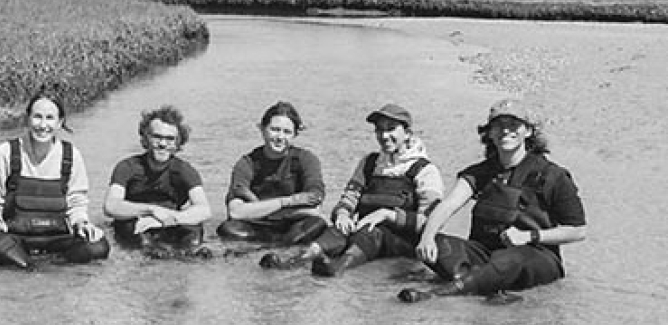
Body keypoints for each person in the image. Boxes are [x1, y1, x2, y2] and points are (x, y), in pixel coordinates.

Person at [398, 99, 587, 304]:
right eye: (498, 125)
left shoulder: (553, 176)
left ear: (528, 132)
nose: (506, 131)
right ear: (489, 133)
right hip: (484, 252)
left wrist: (530, 236)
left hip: (536, 257)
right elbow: (448, 205)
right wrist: (427, 237)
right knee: (438, 244)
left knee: (509, 260)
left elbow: (578, 231)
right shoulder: (479, 172)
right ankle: (485, 286)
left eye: (514, 125)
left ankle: (439, 295)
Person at [260, 104, 445, 276]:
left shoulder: (425, 171)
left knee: (371, 232)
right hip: (363, 232)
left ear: (407, 133)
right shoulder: (369, 163)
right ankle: (297, 261)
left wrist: (387, 215)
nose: (384, 135)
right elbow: (350, 197)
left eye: (390, 129)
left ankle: (337, 268)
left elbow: (431, 221)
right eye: (379, 129)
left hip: (401, 242)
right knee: (338, 230)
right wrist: (342, 214)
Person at [0, 92, 109, 268]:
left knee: (98, 246)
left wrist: (83, 224)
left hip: (58, 239)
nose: (43, 125)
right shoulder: (5, 153)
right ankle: (29, 269)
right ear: (27, 118)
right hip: (15, 238)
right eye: (37, 117)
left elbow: (77, 202)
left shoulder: (72, 156)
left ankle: (53, 269)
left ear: (60, 122)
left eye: (50, 118)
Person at [103, 106, 213, 259]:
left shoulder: (184, 170)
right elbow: (111, 206)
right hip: (137, 222)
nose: (162, 144)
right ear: (145, 138)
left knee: (195, 238)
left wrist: (168, 219)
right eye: (157, 137)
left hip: (171, 223)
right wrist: (152, 210)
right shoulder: (127, 167)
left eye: (169, 139)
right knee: (143, 244)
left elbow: (204, 210)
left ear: (178, 143)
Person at [216, 101, 329, 250]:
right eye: (275, 129)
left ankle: (282, 252)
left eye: (287, 132)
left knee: (316, 224)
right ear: (262, 129)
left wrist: (259, 208)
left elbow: (314, 208)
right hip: (255, 226)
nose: (280, 137)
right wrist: (287, 202)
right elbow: (236, 212)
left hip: (292, 227)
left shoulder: (306, 159)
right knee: (227, 229)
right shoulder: (247, 163)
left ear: (295, 134)